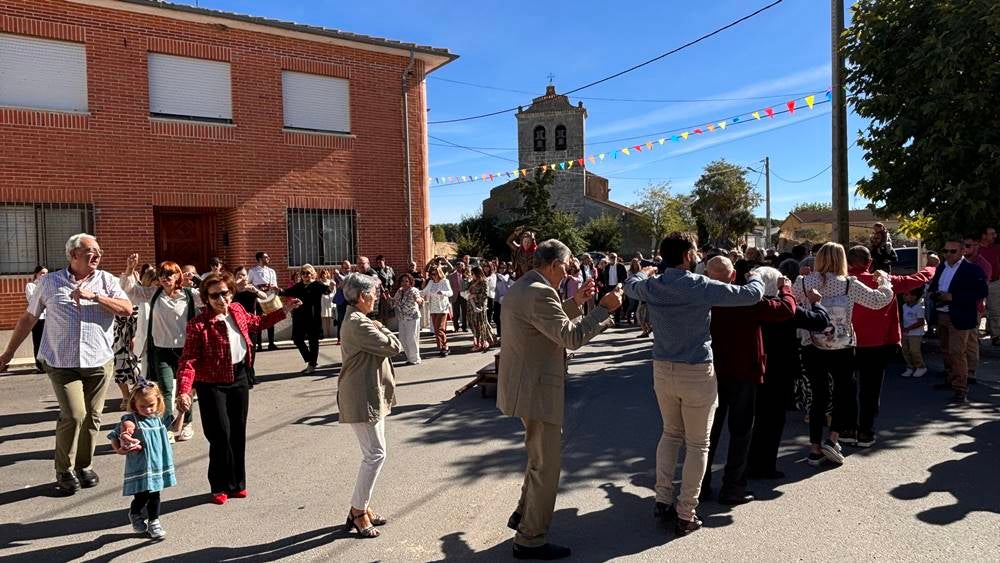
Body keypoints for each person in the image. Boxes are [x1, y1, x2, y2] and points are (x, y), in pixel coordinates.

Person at [624, 232, 764, 536]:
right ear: (687, 255)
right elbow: (749, 295)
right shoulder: (699, 286)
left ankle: (663, 498)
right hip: (696, 370)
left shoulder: (653, 285)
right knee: (698, 443)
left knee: (670, 433)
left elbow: (630, 286)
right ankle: (686, 511)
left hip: (663, 367)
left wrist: (642, 271)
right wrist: (754, 276)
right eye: (695, 251)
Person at [498, 239, 622, 560]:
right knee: (547, 466)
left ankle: (523, 515)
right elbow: (570, 337)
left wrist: (576, 301)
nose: (568, 274)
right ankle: (530, 539)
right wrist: (603, 309)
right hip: (536, 389)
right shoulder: (541, 291)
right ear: (554, 265)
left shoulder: (527, 286)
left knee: (539, 459)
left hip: (525, 386)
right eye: (567, 268)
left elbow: (544, 324)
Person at [0, 233, 134, 494]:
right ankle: (64, 469)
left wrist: (95, 297)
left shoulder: (106, 280)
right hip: (61, 362)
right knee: (74, 414)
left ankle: (84, 466)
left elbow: (126, 308)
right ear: (73, 255)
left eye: (98, 251)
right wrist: (8, 354)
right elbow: (29, 319)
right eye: (90, 251)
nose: (96, 255)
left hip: (98, 361)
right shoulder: (50, 282)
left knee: (94, 417)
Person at [175, 272, 299, 504]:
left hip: (239, 377)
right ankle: (219, 485)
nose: (221, 299)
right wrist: (184, 389)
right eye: (215, 296)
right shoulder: (198, 325)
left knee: (237, 433)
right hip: (211, 384)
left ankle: (237, 483)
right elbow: (188, 361)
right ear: (206, 298)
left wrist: (285, 311)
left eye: (225, 293)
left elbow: (258, 323)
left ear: (231, 292)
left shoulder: (238, 311)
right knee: (220, 434)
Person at [700, 259, 795, 505]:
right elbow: (786, 310)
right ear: (733, 276)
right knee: (741, 432)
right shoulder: (745, 299)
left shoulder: (702, 298)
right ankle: (733, 487)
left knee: (708, 432)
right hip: (745, 371)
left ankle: (700, 485)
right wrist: (786, 287)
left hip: (713, 372)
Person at [792, 243, 893, 466]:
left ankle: (815, 448)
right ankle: (833, 438)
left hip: (813, 344)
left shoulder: (803, 282)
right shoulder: (849, 284)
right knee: (843, 393)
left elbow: (791, 302)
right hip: (843, 345)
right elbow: (878, 301)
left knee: (818, 396)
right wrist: (885, 281)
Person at [847, 245, 935, 447]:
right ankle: (865, 432)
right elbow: (918, 278)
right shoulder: (885, 282)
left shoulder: (841, 282)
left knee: (847, 388)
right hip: (878, 344)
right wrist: (932, 266)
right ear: (870, 262)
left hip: (847, 342)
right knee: (870, 390)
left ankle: (847, 429)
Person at [746, 267, 830, 479]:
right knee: (773, 421)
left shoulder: (748, 304)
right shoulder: (785, 309)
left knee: (757, 420)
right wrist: (816, 302)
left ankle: (751, 463)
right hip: (780, 370)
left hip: (754, 368)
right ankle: (764, 466)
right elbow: (820, 321)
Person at [337, 273, 403, 538]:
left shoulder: (361, 319)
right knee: (375, 454)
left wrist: (376, 324)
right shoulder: (359, 324)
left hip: (370, 393)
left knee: (375, 453)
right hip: (361, 396)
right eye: (374, 292)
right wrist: (381, 327)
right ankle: (357, 511)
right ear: (362, 296)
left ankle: (362, 506)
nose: (376, 296)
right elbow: (395, 346)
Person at [122, 255, 203, 441]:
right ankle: (167, 425)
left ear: (178, 276)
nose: (166, 277)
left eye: (170, 273)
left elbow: (211, 294)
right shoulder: (153, 294)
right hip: (161, 350)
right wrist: (129, 270)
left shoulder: (190, 295)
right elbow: (129, 292)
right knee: (166, 389)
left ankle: (187, 422)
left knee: (185, 390)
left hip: (186, 350)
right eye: (162, 274)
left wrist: (197, 279)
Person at [108, 380, 175, 540]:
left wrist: (183, 412)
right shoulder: (131, 419)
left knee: (155, 494)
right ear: (134, 403)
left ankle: (154, 522)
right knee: (141, 496)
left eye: (151, 405)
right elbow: (117, 434)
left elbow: (175, 429)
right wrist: (122, 445)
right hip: (140, 466)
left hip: (156, 464)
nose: (147, 409)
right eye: (142, 406)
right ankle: (135, 513)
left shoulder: (158, 418)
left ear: (158, 401)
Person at [928, 238, 989, 403]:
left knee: (957, 352)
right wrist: (934, 294)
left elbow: (981, 292)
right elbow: (934, 286)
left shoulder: (972, 270)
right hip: (942, 314)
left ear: (963, 251)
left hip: (960, 315)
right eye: (945, 251)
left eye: (952, 251)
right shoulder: (942, 267)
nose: (948, 254)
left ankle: (961, 388)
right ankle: (951, 379)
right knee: (946, 350)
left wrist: (953, 297)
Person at [280, 264, 332, 374]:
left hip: (313, 317)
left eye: (308, 273)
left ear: (312, 274)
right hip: (299, 316)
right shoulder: (299, 286)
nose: (305, 275)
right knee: (297, 339)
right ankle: (310, 359)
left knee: (313, 341)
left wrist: (331, 286)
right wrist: (277, 290)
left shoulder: (317, 285)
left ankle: (312, 365)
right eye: (303, 273)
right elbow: (286, 292)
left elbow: (327, 291)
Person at [248, 252, 279, 351]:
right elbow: (249, 284)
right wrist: (258, 287)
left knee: (271, 319)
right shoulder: (253, 271)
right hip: (258, 298)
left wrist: (272, 287)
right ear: (260, 259)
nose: (268, 258)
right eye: (266, 257)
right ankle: (259, 344)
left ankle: (271, 343)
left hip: (270, 297)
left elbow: (275, 284)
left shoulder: (271, 271)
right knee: (259, 320)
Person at [422, 266, 453, 357]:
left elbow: (450, 292)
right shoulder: (431, 282)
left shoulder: (444, 281)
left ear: (439, 273)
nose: (433, 276)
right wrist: (415, 293)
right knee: (436, 330)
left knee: (440, 329)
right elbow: (424, 291)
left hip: (442, 308)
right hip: (433, 309)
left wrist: (443, 292)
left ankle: (445, 347)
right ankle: (441, 347)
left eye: (435, 274)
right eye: (431, 274)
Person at [393, 273, 424, 365]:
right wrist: (387, 298)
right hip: (402, 317)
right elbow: (394, 302)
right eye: (402, 281)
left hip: (412, 317)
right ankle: (409, 357)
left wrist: (418, 300)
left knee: (411, 338)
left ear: (410, 282)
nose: (404, 283)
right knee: (402, 339)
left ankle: (415, 359)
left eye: (406, 281)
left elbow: (419, 299)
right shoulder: (399, 291)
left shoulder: (413, 290)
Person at [977, 226, 1000, 345]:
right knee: (977, 309)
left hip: (995, 282)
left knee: (996, 310)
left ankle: (996, 336)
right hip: (979, 283)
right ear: (984, 236)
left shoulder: (997, 248)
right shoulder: (976, 249)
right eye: (992, 234)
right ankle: (974, 335)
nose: (995, 236)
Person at [900, 287, 928, 378]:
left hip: (916, 333)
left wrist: (909, 328)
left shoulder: (919, 307)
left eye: (907, 295)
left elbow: (921, 322)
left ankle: (920, 367)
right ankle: (910, 367)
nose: (904, 296)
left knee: (914, 351)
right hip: (905, 332)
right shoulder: (904, 306)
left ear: (914, 297)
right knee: (905, 350)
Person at [467, 266, 496, 352]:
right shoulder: (472, 282)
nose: (471, 275)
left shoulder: (484, 282)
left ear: (477, 273)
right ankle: (478, 342)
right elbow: (468, 291)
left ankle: (482, 343)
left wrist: (475, 296)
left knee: (480, 325)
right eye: (471, 273)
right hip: (471, 306)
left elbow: (485, 295)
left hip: (480, 306)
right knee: (473, 324)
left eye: (473, 273)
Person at [25, 266, 48, 373]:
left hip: (48, 317)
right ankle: (39, 365)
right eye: (42, 273)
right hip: (38, 318)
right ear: (36, 274)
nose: (44, 275)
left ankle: (49, 364)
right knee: (38, 341)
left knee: (48, 342)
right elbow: (32, 300)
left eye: (46, 273)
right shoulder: (31, 286)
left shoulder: (48, 285)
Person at [598, 253, 628, 326]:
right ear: (609, 258)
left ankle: (617, 321)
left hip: (617, 287)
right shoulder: (607, 266)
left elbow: (624, 278)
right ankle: (608, 321)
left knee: (617, 304)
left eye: (614, 257)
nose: (613, 258)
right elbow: (602, 276)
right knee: (608, 304)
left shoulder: (621, 266)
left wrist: (620, 284)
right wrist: (601, 282)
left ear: (617, 258)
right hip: (608, 287)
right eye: (611, 257)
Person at [372, 256, 396, 324]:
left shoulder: (390, 269)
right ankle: (381, 325)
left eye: (380, 262)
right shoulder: (376, 271)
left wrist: (391, 285)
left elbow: (394, 278)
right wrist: (382, 291)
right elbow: (377, 282)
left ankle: (386, 325)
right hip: (381, 293)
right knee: (380, 311)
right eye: (377, 262)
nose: (379, 264)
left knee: (387, 310)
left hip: (388, 292)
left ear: (384, 261)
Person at [448, 262, 469, 332]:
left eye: (462, 266)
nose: (460, 267)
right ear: (456, 267)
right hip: (455, 296)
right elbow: (450, 287)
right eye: (459, 266)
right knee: (456, 312)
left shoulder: (466, 275)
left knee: (464, 312)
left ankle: (464, 327)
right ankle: (456, 327)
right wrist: (450, 296)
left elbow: (469, 285)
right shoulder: (451, 276)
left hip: (464, 296)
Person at [319, 269, 337, 338]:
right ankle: (324, 333)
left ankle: (329, 333)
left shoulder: (331, 282)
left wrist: (334, 302)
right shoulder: (320, 283)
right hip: (323, 302)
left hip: (330, 302)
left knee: (329, 318)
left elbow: (334, 292)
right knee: (324, 318)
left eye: (325, 274)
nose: (324, 275)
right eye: (323, 274)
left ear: (327, 274)